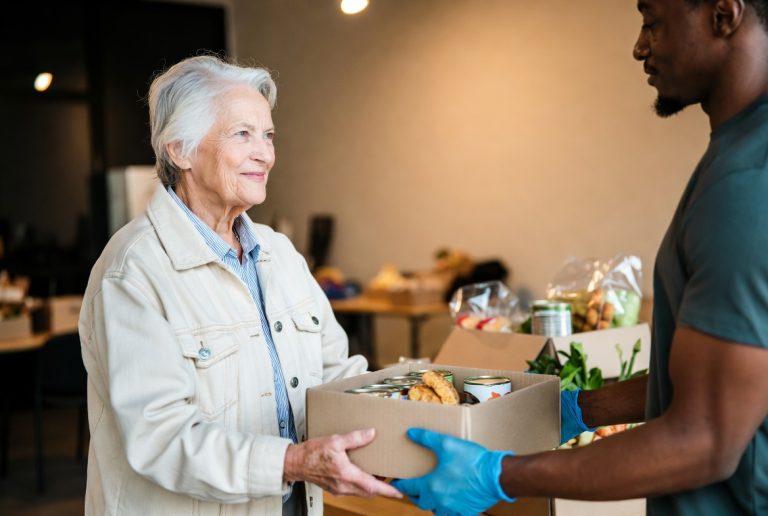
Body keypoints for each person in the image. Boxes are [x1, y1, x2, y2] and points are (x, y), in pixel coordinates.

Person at [392, 0, 768, 514]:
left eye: (653, 22)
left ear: (724, 16)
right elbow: (716, 371)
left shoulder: (747, 183)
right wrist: (579, 408)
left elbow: (703, 441)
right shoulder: (738, 150)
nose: (639, 47)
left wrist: (496, 473)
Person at [78, 55, 400, 515]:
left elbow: (335, 375)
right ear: (180, 150)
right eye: (242, 134)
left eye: (267, 135)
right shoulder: (133, 272)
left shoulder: (280, 254)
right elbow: (161, 437)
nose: (265, 153)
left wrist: (400, 419)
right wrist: (292, 462)